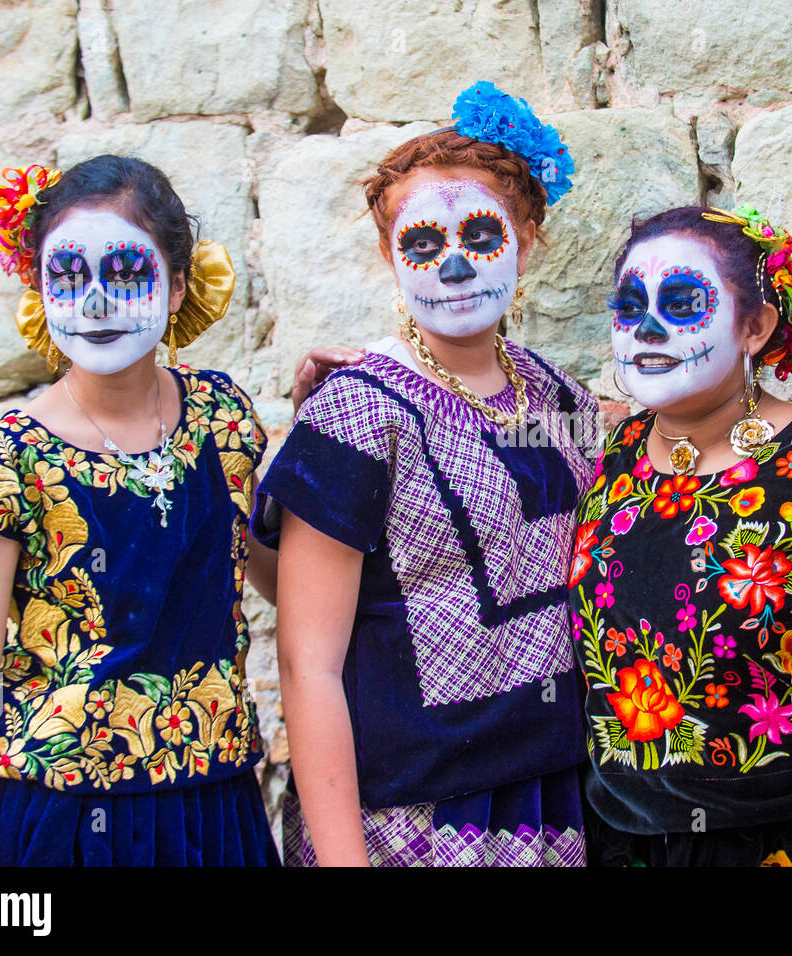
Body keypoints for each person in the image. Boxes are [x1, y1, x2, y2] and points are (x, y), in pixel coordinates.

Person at [252, 83, 597, 867]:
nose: (451, 264)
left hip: (549, 792)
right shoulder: (355, 412)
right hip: (405, 813)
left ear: (529, 237)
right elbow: (309, 664)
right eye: (420, 242)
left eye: (481, 235)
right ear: (387, 255)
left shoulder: (561, 395)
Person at [0, 156, 279, 866]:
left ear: (179, 285)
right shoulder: (7, 466)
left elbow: (266, 572)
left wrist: (331, 430)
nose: (95, 304)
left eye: (125, 274)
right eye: (67, 277)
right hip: (66, 824)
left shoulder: (224, 420)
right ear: (37, 286)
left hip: (215, 811)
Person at [569, 204, 792, 866]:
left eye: (684, 301)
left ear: (755, 326)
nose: (649, 328)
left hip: (785, 843)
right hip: (616, 842)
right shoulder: (611, 455)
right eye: (629, 305)